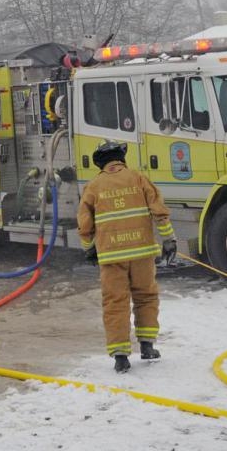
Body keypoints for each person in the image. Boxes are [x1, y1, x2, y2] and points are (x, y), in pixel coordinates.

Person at [77, 140, 176, 374]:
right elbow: (158, 210)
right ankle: (147, 346)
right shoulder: (138, 178)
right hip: (142, 252)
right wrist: (169, 239)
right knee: (146, 296)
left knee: (115, 303)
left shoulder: (94, 186)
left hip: (111, 256)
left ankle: (121, 357)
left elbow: (84, 224)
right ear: (121, 159)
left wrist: (88, 248)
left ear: (100, 163)